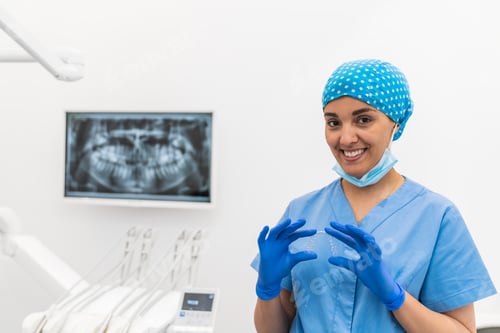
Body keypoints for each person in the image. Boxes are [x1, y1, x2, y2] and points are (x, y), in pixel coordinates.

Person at [251, 59, 497, 332]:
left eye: (363, 119)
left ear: (396, 123)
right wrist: (267, 288)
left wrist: (395, 296)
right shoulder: (301, 212)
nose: (345, 139)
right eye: (333, 122)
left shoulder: (436, 217)